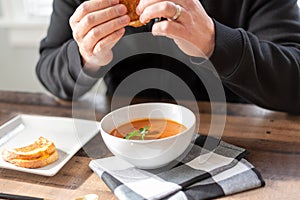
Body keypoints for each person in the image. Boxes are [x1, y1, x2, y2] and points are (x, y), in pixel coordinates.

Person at [36, 0, 300, 114]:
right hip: (126, 140)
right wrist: (86, 56)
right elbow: (49, 70)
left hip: (237, 141)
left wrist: (214, 42)